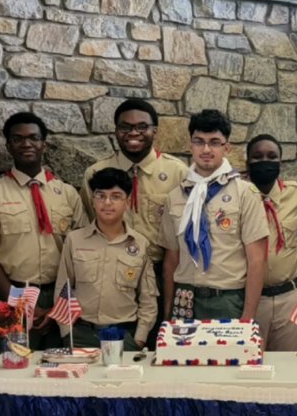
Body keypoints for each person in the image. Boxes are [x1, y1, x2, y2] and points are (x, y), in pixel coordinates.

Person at [0, 112, 89, 351]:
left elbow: (82, 251)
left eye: (33, 138)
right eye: (18, 139)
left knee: (58, 370)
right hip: (10, 294)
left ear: (43, 144)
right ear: (8, 146)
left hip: (59, 296)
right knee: (11, 370)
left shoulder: (66, 194)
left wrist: (60, 303)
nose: (26, 144)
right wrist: (20, 303)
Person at [82, 99, 189, 343]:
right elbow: (91, 224)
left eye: (142, 127)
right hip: (113, 275)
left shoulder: (177, 172)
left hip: (164, 272)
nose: (133, 133)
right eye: (125, 127)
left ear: (155, 131)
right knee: (118, 347)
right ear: (116, 131)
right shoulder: (96, 174)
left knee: (161, 346)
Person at [157, 109, 269, 322]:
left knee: (228, 357)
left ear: (227, 147)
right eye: (199, 141)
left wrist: (248, 317)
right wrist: (167, 314)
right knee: (182, 356)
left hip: (226, 301)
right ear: (190, 145)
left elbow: (257, 260)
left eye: (214, 142)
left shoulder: (245, 193)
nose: (206, 149)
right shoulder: (176, 196)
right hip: (185, 299)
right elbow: (171, 259)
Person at [54, 167, 159, 349]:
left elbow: (148, 298)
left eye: (116, 196)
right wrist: (67, 331)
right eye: (100, 196)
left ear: (127, 202)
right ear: (92, 200)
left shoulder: (139, 244)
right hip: (80, 335)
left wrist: (139, 339)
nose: (107, 202)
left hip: (124, 335)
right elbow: (63, 289)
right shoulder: (75, 240)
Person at [243, 134, 297, 351]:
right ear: (247, 162)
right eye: (257, 157)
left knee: (296, 368)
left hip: (292, 296)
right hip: (252, 300)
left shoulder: (295, 196)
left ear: (280, 163)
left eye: (271, 156)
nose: (264, 161)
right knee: (249, 367)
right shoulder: (238, 197)